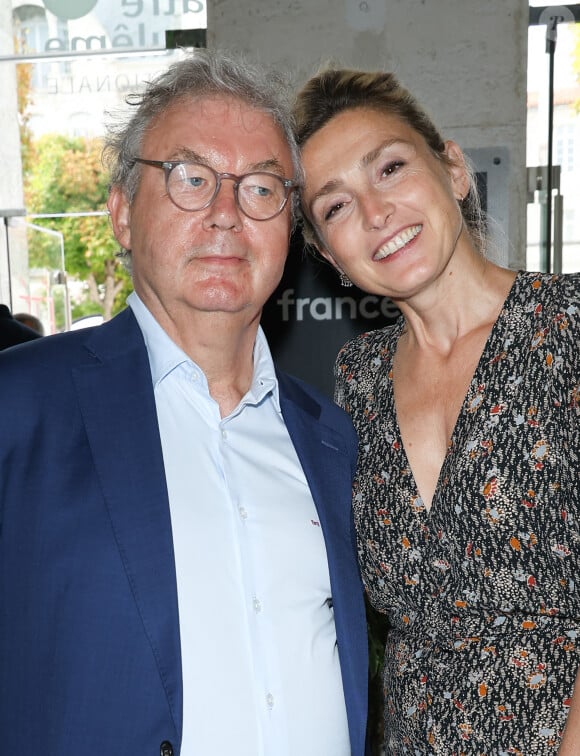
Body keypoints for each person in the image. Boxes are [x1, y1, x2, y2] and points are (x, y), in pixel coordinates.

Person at [0, 51, 369, 756]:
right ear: (121, 215)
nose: (226, 215)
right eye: (191, 179)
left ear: (289, 233)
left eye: (261, 188)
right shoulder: (19, 411)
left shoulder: (331, 439)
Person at [292, 67, 579, 754]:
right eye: (336, 207)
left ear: (452, 168)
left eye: (390, 168)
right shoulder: (355, 382)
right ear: (327, 254)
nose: (375, 213)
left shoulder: (568, 328)